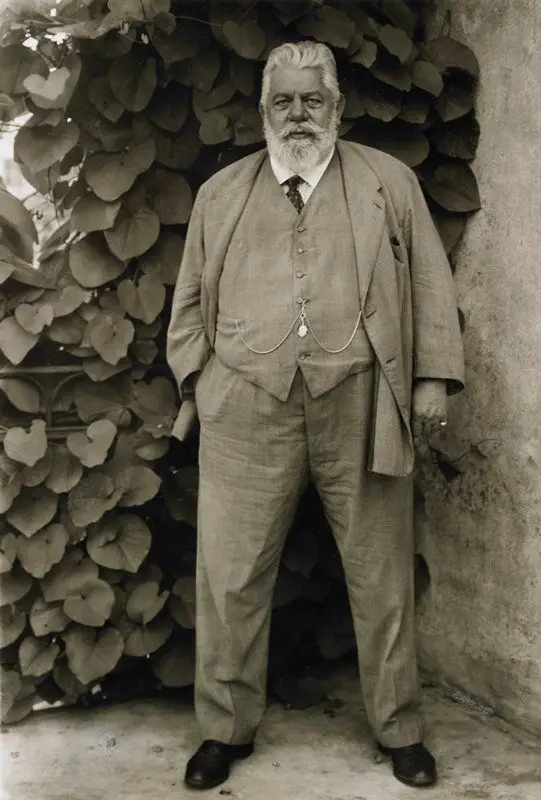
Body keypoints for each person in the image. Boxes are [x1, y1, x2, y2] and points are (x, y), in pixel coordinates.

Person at [167, 40, 464, 792]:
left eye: (313, 101)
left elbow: (430, 282)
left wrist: (433, 378)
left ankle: (400, 730)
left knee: (382, 573)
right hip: (245, 404)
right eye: (283, 102)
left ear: (338, 107)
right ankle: (223, 732)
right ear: (263, 110)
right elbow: (190, 302)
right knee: (231, 575)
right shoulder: (222, 194)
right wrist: (200, 381)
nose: (297, 116)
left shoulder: (387, 183)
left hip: (361, 400)